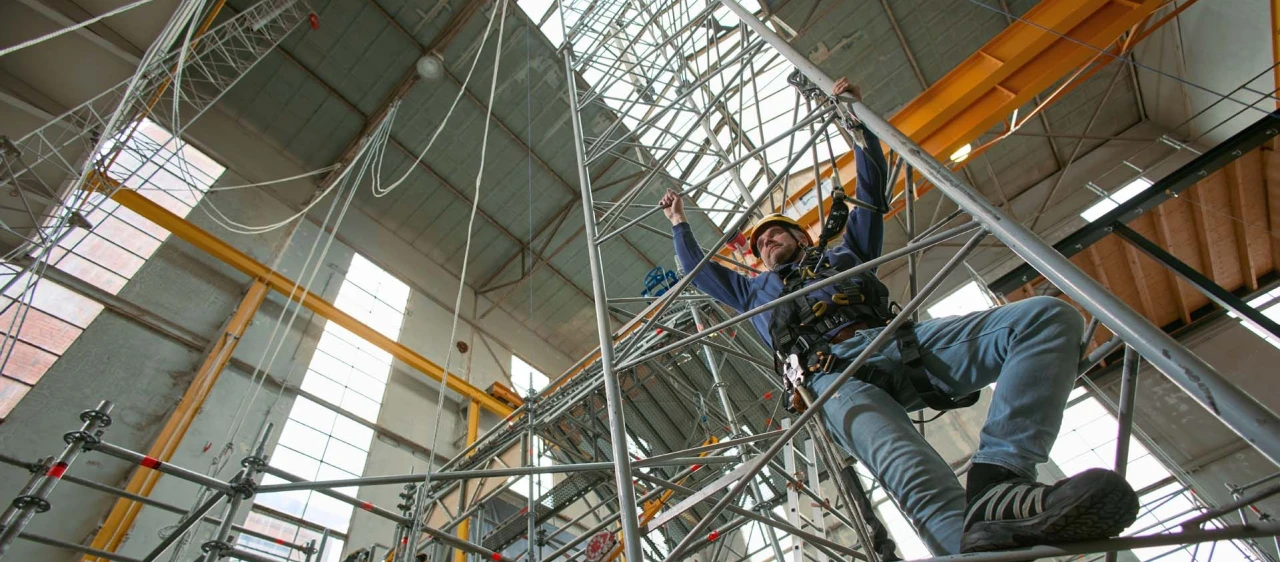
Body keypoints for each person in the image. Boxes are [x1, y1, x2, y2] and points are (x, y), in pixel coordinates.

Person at [658, 76, 1139, 554]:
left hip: (896, 343)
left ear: (802, 238)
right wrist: (680, 224)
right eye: (761, 244)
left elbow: (870, 193)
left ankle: (1000, 479)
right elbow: (700, 273)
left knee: (1045, 321)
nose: (767, 243)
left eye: (776, 234)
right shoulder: (751, 292)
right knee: (918, 481)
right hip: (832, 378)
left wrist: (858, 126)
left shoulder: (844, 255)